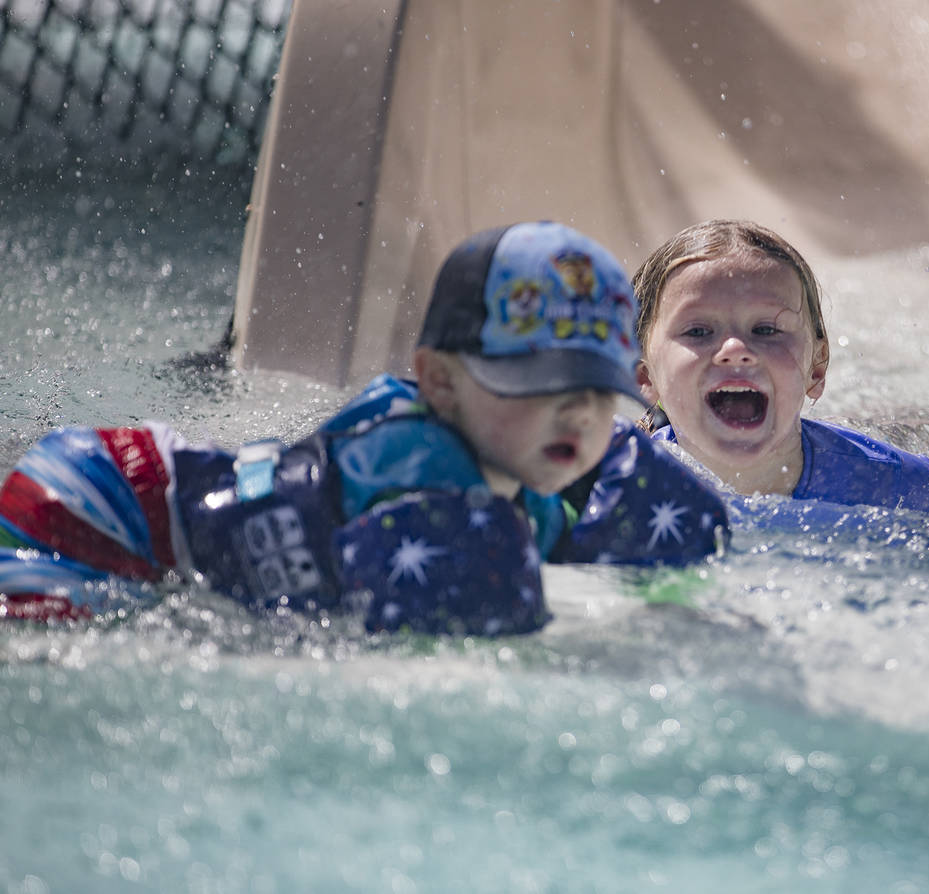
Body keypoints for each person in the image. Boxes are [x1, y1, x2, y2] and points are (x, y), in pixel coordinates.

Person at [0, 221, 728, 631]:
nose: (576, 415)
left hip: (139, 483)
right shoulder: (425, 480)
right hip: (103, 511)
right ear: (440, 382)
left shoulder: (494, 466)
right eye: (536, 386)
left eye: (598, 396)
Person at [632, 218, 929, 518]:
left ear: (816, 367)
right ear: (645, 376)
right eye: (698, 331)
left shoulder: (895, 487)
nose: (736, 351)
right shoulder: (618, 489)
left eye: (766, 330)